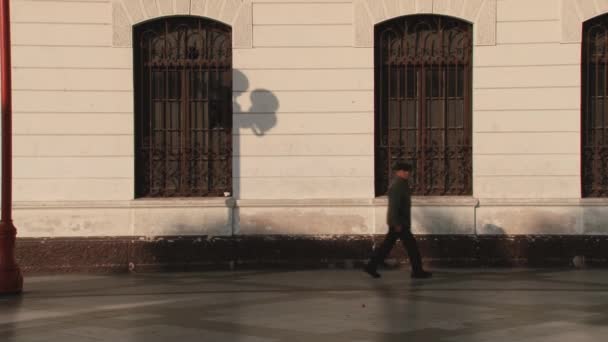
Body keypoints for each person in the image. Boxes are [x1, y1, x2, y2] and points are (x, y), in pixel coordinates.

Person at [364, 162, 432, 279]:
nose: (407, 173)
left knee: (387, 246)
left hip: (399, 222)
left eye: (408, 171)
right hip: (399, 223)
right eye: (405, 171)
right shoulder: (397, 185)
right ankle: (417, 271)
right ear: (398, 172)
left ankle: (371, 266)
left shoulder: (402, 184)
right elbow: (394, 206)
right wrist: (396, 223)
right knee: (412, 247)